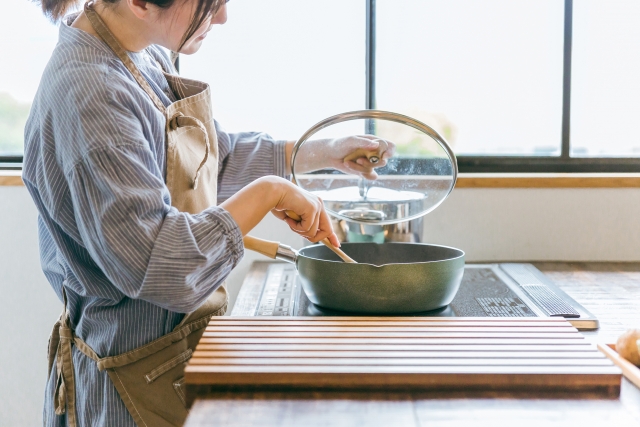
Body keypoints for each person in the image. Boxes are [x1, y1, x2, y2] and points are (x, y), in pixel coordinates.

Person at [24, 0, 392, 426]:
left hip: (173, 363)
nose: (221, 18)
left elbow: (204, 163)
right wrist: (269, 192)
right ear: (140, 2)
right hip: (128, 387)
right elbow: (161, 266)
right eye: (210, 4)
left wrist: (323, 153)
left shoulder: (140, 51)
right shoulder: (90, 94)